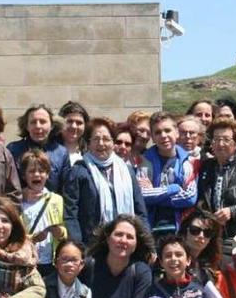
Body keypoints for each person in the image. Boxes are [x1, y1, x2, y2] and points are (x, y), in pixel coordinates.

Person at [64, 117, 147, 245]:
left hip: (125, 243)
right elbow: (70, 214)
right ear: (88, 143)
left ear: (113, 143)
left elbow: (140, 211)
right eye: (96, 139)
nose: (101, 144)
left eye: (106, 139)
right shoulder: (78, 171)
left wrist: (147, 243)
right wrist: (77, 247)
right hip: (93, 245)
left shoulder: (126, 170)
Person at [197, 118, 236, 257]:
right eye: (216, 139)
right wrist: (207, 215)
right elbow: (201, 198)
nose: (220, 144)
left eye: (226, 139)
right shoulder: (206, 167)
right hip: (210, 236)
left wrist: (233, 211)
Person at [137, 111, 198, 238]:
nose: (163, 136)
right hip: (150, 230)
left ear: (176, 133)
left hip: (180, 229)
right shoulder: (144, 162)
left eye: (167, 130)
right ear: (152, 137)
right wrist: (173, 189)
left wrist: (155, 196)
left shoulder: (188, 162)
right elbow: (141, 196)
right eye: (158, 132)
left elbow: (190, 197)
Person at [19, 150, 66, 276]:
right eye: (31, 171)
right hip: (26, 261)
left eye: (41, 171)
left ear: (47, 175)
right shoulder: (18, 201)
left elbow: (64, 231)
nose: (37, 175)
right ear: (24, 176)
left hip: (50, 262)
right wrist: (33, 238)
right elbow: (13, 233)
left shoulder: (57, 200)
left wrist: (59, 232)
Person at [8, 104, 70, 194]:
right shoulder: (13, 150)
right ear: (26, 126)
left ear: (52, 125)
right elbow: (7, 186)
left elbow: (66, 189)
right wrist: (22, 193)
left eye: (43, 121)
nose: (38, 126)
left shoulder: (61, 153)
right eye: (33, 122)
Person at [59, 101, 90, 165]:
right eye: (69, 121)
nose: (74, 126)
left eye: (79, 123)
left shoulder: (91, 152)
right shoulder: (50, 150)